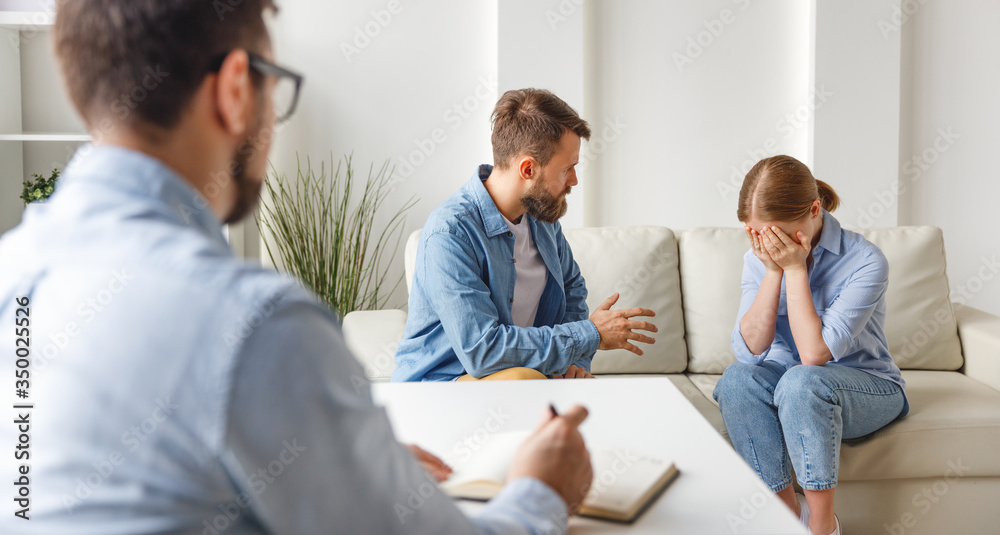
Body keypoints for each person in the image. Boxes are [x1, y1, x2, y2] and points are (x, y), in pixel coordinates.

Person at [0, 2, 595, 533]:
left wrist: (335, 463)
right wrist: (541, 493)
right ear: (236, 88)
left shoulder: (13, 270)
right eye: (273, 86)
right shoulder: (258, 324)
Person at [392, 88, 658, 382]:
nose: (574, 180)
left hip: (520, 375)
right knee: (524, 380)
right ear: (528, 168)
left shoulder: (541, 217)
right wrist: (590, 334)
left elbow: (572, 292)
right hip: (441, 384)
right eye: (567, 169)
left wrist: (573, 363)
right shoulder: (450, 233)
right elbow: (483, 352)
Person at [713, 155, 908, 535]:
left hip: (865, 385)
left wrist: (796, 269)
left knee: (803, 381)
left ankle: (822, 526)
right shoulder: (758, 257)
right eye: (755, 234)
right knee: (737, 379)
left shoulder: (865, 261)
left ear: (814, 210)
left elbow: (814, 355)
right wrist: (772, 270)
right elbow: (749, 350)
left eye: (776, 234)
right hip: (790, 381)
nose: (765, 244)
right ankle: (787, 516)